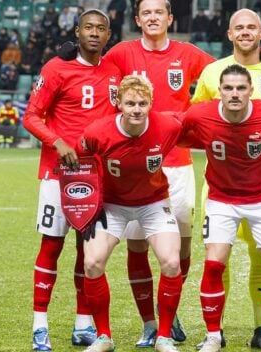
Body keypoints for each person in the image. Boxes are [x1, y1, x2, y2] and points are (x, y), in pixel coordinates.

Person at [102, 0, 215, 346]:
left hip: (177, 162)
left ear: (170, 18)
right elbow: (95, 76)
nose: (152, 18)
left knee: (179, 248)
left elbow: (221, 79)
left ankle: (171, 309)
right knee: (136, 245)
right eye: (146, 13)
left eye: (158, 13)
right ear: (137, 19)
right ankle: (150, 323)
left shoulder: (189, 54)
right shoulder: (121, 53)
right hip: (134, 164)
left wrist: (192, 118)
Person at [191, 8, 261, 350]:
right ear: (229, 33)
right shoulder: (211, 72)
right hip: (219, 187)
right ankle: (214, 332)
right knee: (216, 259)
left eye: (252, 27)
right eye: (240, 27)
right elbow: (196, 121)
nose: (246, 32)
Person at [22, 9, 121, 351]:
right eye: (88, 27)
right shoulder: (55, 68)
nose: (94, 33)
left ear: (109, 35)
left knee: (87, 251)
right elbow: (31, 117)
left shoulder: (114, 71)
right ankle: (40, 325)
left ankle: (83, 324)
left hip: (96, 176)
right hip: (56, 175)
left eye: (101, 29)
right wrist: (57, 142)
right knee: (51, 246)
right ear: (77, 32)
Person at [76, 74, 185, 352]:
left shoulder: (168, 126)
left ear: (151, 104)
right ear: (119, 103)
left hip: (153, 202)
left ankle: (163, 336)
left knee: (172, 263)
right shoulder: (97, 132)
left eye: (142, 103)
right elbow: (78, 162)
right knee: (92, 263)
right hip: (112, 205)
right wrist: (86, 205)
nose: (136, 109)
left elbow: (197, 127)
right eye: (130, 103)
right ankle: (103, 337)